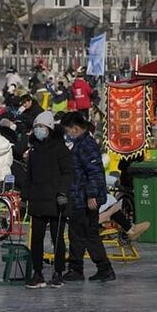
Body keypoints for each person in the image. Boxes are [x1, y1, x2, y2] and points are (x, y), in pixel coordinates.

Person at [23, 111, 73, 289]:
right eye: (36, 127)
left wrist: (62, 193)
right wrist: (24, 196)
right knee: (36, 239)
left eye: (41, 127)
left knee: (57, 238)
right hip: (37, 201)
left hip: (55, 202)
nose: (38, 130)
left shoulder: (60, 149)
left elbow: (68, 173)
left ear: (50, 129)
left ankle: (58, 272)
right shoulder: (34, 151)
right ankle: (38, 273)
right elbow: (29, 176)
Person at [64, 111, 115, 282]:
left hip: (83, 198)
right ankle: (104, 268)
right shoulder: (82, 143)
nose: (68, 133)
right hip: (81, 196)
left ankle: (76, 269)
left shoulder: (86, 145)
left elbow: (94, 173)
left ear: (75, 128)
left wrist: (91, 195)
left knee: (78, 234)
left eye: (68, 130)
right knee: (89, 234)